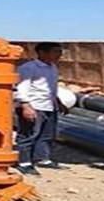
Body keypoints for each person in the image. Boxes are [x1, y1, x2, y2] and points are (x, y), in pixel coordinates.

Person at [15, 42, 67, 176]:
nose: (59, 55)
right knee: (28, 134)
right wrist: (25, 105)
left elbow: (51, 88)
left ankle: (42, 158)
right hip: (34, 106)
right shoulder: (29, 68)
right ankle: (24, 162)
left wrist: (59, 102)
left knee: (46, 135)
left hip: (49, 106)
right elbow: (21, 87)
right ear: (42, 53)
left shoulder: (53, 68)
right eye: (55, 52)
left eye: (60, 52)